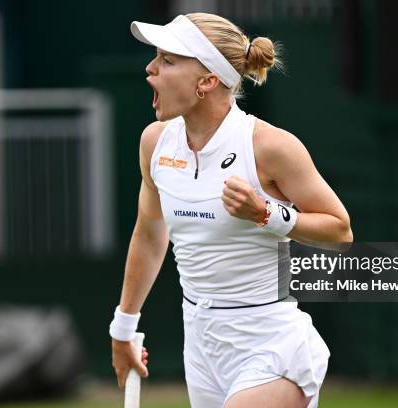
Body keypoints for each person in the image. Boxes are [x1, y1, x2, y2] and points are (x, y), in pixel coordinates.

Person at [110, 13, 353, 408]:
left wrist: (266, 214)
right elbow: (150, 233)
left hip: (273, 346)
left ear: (206, 81)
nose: (150, 69)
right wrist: (123, 329)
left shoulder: (271, 147)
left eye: (168, 61)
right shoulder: (154, 143)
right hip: (202, 346)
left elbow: (340, 231)